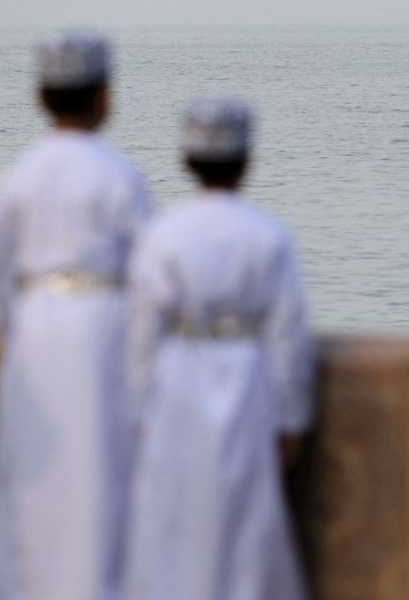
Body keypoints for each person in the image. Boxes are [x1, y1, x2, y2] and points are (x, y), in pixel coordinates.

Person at [0, 29, 152, 600]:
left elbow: (3, 276)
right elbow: (146, 279)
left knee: (30, 484)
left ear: (39, 98)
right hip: (103, 330)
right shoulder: (120, 174)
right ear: (105, 96)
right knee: (102, 482)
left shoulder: (16, 177)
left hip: (33, 331)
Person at [125, 98, 315, 600]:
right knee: (247, 519)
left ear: (185, 161)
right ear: (247, 161)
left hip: (179, 380)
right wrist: (293, 417)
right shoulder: (267, 235)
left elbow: (141, 335)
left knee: (175, 518)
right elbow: (287, 336)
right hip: (249, 378)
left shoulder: (162, 235)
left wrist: (139, 408)